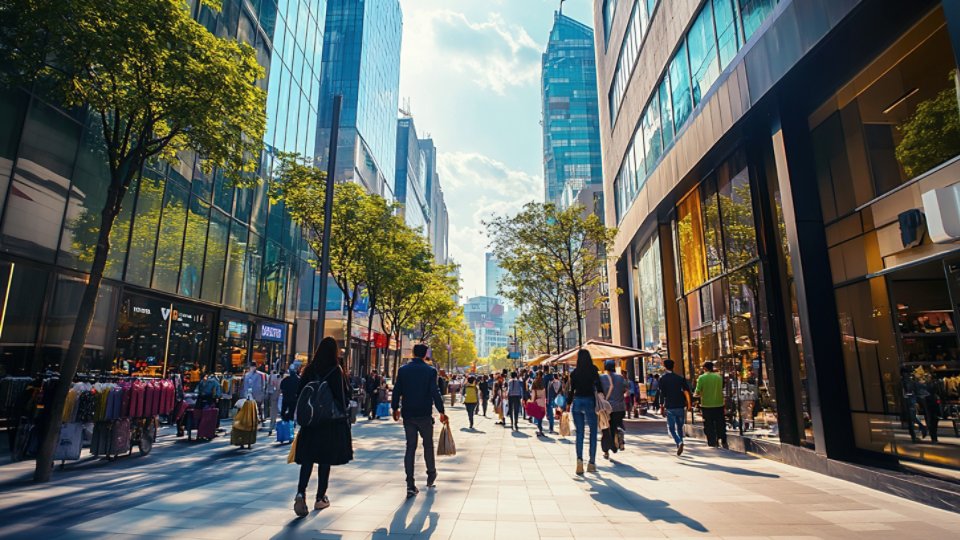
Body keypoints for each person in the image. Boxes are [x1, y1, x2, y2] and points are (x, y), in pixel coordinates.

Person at [292, 337, 353, 517]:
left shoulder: (309, 369)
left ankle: (301, 492)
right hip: (329, 423)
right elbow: (341, 398)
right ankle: (320, 498)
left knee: (307, 460)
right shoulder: (336, 370)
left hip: (310, 424)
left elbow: (300, 393)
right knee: (325, 461)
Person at [392, 344, 448, 499]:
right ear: (425, 355)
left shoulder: (403, 370)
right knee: (428, 444)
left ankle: (410, 484)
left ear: (413, 353)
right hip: (424, 413)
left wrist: (395, 408)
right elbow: (434, 392)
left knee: (410, 447)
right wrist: (441, 411)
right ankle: (431, 473)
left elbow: (397, 390)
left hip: (408, 414)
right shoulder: (430, 371)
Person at [566, 350, 603, 475]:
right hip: (590, 402)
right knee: (593, 432)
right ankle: (591, 463)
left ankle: (579, 461)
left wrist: (568, 403)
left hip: (577, 402)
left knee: (579, 433)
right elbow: (599, 387)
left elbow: (571, 390)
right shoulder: (593, 370)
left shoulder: (575, 373)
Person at [658, 359, 692, 456]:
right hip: (680, 405)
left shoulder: (663, 379)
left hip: (670, 406)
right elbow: (686, 391)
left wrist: (661, 406)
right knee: (680, 427)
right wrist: (689, 404)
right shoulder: (679, 378)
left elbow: (661, 394)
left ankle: (678, 442)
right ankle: (680, 441)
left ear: (665, 367)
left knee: (671, 428)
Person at [695, 361, 727, 449]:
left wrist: (696, 395)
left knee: (708, 424)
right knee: (720, 422)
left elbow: (697, 391)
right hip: (719, 404)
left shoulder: (701, 378)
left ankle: (712, 441)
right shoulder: (718, 377)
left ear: (705, 368)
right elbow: (721, 388)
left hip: (707, 405)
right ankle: (722, 437)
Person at [600, 360, 627, 460]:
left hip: (606, 408)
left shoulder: (602, 377)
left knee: (605, 429)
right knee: (616, 425)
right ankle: (619, 436)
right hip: (620, 408)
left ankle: (606, 451)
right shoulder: (620, 377)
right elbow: (625, 389)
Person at [530, 372, 547, 436]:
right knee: (541, 414)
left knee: (538, 414)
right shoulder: (544, 381)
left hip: (537, 399)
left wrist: (533, 400)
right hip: (542, 398)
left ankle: (540, 429)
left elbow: (533, 391)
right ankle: (540, 429)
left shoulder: (535, 381)